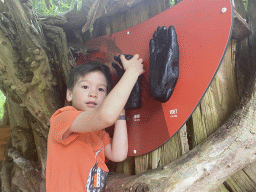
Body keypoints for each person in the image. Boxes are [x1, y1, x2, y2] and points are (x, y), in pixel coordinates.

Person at [46, 54, 144, 192]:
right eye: (85, 87)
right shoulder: (63, 118)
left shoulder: (98, 132)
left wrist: (120, 113)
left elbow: (118, 154)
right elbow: (104, 117)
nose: (93, 93)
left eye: (101, 89)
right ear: (69, 94)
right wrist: (132, 72)